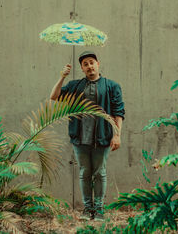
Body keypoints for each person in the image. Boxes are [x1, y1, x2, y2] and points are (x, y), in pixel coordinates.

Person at [50, 51, 125, 221]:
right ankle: (87, 209)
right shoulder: (75, 86)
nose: (89, 66)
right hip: (80, 137)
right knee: (84, 172)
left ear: (98, 64)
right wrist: (62, 77)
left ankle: (99, 210)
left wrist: (117, 135)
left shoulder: (112, 86)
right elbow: (54, 96)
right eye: (85, 64)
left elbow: (118, 112)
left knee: (99, 173)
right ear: (82, 69)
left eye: (92, 62)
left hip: (103, 136)